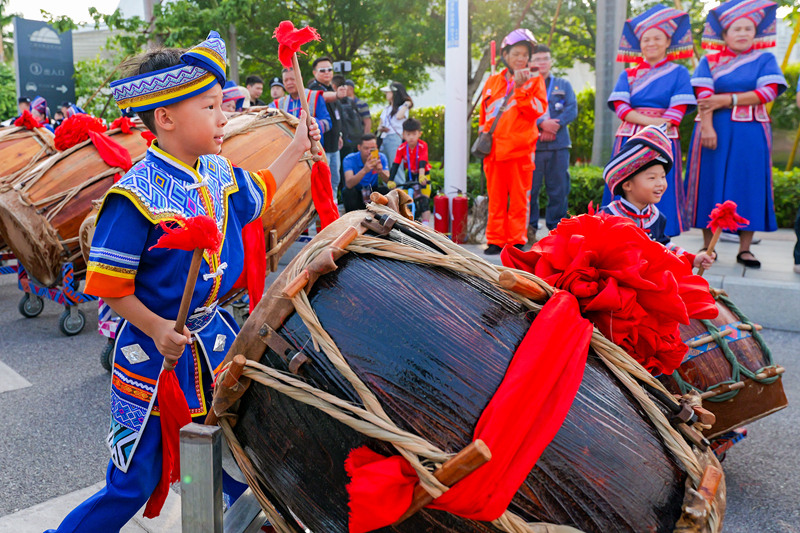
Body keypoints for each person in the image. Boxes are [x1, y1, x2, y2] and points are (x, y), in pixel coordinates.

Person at [44, 31, 321, 533]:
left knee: (233, 456)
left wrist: (299, 146)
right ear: (166, 119)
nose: (225, 118)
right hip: (154, 357)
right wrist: (154, 327)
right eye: (211, 107)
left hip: (212, 340)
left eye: (223, 105)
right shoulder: (134, 195)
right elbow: (108, 285)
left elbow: (256, 195)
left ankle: (252, 519)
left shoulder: (215, 172)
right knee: (133, 482)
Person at [685, 0, 787, 268]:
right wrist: (706, 126)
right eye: (736, 29)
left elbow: (767, 93)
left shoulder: (765, 59)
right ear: (725, 35)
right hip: (713, 129)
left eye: (748, 29)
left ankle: (745, 249)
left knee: (748, 184)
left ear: (756, 33)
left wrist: (726, 100)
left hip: (750, 131)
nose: (743, 33)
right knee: (711, 183)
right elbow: (704, 96)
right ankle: (709, 246)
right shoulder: (709, 61)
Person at [604, 4, 696, 238]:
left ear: (668, 42)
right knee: (627, 183)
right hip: (630, 139)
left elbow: (677, 111)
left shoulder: (679, 72)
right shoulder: (628, 74)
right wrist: (653, 124)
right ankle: (618, 234)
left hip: (664, 139)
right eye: (646, 39)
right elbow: (622, 108)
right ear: (639, 45)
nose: (651, 43)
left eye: (657, 38)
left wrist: (652, 126)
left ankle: (662, 239)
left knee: (659, 184)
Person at [602, 125, 714, 271]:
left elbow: (664, 246)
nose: (661, 183)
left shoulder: (656, 218)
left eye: (662, 177)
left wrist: (693, 258)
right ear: (627, 185)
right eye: (652, 178)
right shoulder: (608, 216)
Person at [478, 28, 547, 255]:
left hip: (521, 151)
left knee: (519, 200)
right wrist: (482, 140)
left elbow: (536, 111)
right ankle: (495, 240)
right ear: (505, 55)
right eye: (516, 54)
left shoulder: (535, 80)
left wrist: (520, 90)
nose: (521, 59)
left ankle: (517, 240)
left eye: (525, 55)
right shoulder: (492, 81)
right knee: (495, 199)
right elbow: (484, 114)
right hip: (494, 153)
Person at [527, 43, 578, 241]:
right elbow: (523, 109)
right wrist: (541, 123)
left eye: (545, 59)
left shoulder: (563, 85)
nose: (542, 63)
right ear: (531, 62)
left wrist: (554, 125)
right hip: (534, 146)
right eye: (537, 59)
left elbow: (572, 109)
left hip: (559, 145)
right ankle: (529, 229)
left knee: (559, 189)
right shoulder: (527, 85)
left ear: (551, 61)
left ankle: (557, 231)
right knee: (531, 189)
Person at [273, 67, 332, 154]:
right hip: (288, 152)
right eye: (286, 80)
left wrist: (313, 125)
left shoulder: (314, 96)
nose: (289, 83)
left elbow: (327, 123)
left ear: (300, 79)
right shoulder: (279, 103)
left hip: (312, 151)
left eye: (292, 79)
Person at [307, 56, 343, 199]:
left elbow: (336, 117)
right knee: (324, 183)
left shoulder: (329, 88)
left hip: (334, 145)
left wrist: (339, 134)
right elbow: (324, 96)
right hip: (321, 147)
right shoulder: (314, 90)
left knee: (335, 181)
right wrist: (336, 95)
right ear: (315, 73)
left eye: (329, 69)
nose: (327, 72)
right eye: (322, 70)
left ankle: (333, 209)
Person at [388, 118, 432, 224]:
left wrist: (422, 176)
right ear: (403, 135)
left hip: (423, 174)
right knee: (405, 201)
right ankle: (408, 223)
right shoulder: (401, 148)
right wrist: (390, 180)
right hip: (411, 175)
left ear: (419, 134)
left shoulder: (422, 145)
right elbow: (395, 165)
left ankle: (425, 226)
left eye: (414, 134)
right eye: (408, 134)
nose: (411, 137)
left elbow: (422, 161)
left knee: (424, 201)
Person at [342, 133, 390, 212]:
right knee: (348, 192)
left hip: (372, 192)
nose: (369, 152)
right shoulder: (349, 159)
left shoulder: (381, 157)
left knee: (387, 190)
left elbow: (389, 182)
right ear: (359, 147)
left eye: (372, 148)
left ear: (376, 148)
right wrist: (364, 170)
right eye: (366, 148)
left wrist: (380, 172)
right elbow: (349, 184)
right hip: (357, 192)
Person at [378, 81, 412, 163]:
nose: (386, 94)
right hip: (384, 138)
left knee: (395, 165)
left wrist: (407, 103)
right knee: (386, 166)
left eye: (388, 92)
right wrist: (382, 128)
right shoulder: (386, 109)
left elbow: (399, 116)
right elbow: (379, 126)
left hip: (395, 138)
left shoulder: (402, 107)